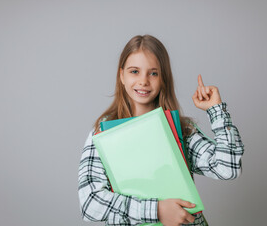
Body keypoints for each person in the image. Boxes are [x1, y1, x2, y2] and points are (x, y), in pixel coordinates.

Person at [78, 34, 244, 226]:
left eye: (153, 73)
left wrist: (216, 111)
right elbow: (90, 203)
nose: (143, 81)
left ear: (164, 78)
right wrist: (156, 210)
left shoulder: (182, 130)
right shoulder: (103, 133)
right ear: (121, 75)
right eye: (134, 71)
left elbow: (228, 168)